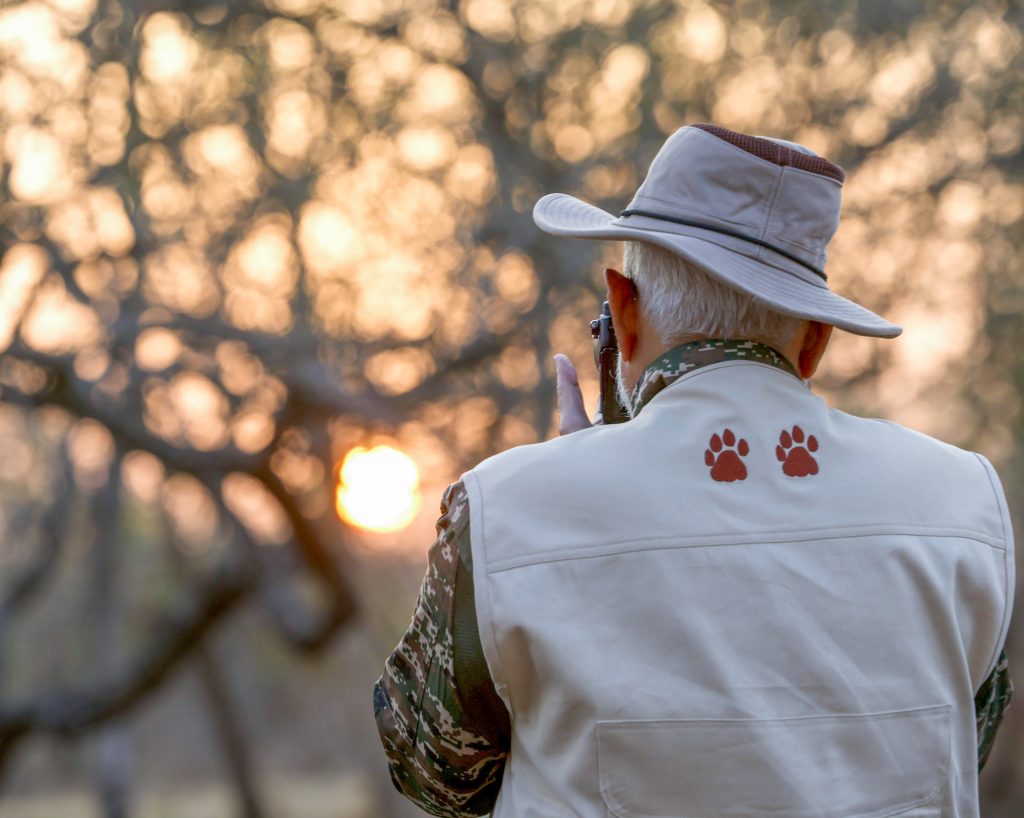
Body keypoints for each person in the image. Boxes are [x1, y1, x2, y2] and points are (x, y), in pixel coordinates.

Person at [374, 123, 1015, 818]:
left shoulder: (504, 509)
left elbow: (433, 775)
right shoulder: (965, 502)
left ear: (623, 308)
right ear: (815, 343)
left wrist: (574, 497)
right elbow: (959, 741)